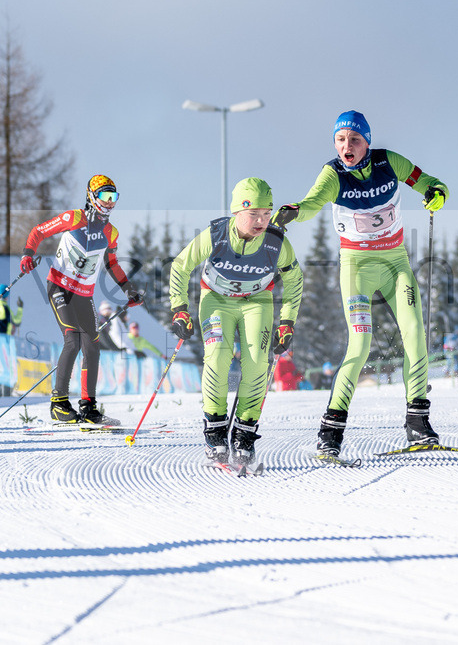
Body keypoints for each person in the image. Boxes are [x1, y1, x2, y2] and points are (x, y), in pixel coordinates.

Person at [271, 110, 448, 458]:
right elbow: (312, 203)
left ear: (367, 141)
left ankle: (418, 422)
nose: (346, 146)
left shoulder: (388, 163)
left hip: (396, 262)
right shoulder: (332, 174)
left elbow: (426, 181)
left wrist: (436, 191)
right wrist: (293, 210)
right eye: (340, 139)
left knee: (415, 333)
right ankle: (331, 430)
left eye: (354, 139)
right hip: (357, 266)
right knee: (360, 345)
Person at [168, 177, 304, 466]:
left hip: (257, 302)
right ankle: (215, 428)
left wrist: (287, 322)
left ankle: (244, 432)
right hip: (216, 300)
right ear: (237, 212)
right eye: (254, 214)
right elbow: (181, 264)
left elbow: (294, 280)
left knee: (256, 363)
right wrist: (179, 307)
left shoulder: (276, 242)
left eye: (266, 214)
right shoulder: (216, 234)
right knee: (217, 358)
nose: (261, 221)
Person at [20, 175, 143, 424]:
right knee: (72, 340)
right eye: (104, 196)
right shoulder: (73, 218)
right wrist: (28, 253)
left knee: (93, 346)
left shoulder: (111, 232)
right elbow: (38, 231)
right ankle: (59, 403)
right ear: (91, 196)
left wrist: (129, 289)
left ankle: (88, 407)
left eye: (114, 197)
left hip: (83, 294)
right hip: (59, 287)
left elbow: (111, 263)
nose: (109, 203)